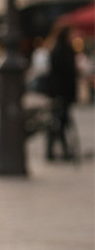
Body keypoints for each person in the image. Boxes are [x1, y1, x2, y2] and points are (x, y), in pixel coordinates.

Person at [46, 25, 77, 161]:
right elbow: (63, 74)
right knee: (59, 122)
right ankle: (58, 151)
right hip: (61, 92)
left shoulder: (61, 50)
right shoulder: (61, 51)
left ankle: (58, 151)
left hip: (61, 92)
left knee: (59, 122)